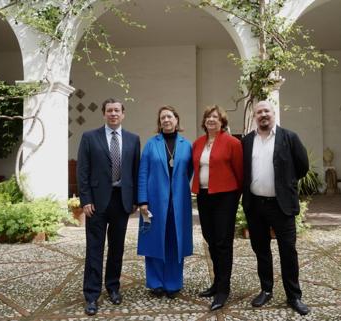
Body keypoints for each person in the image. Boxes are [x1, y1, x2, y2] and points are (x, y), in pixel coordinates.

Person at [241, 100, 310, 316]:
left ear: (273, 113)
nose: (263, 115)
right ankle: (266, 289)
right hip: (255, 206)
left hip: (282, 206)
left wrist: (283, 184)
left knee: (287, 251)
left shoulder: (289, 138)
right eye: (259, 112)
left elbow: (302, 166)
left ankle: (294, 296)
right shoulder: (246, 141)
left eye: (266, 111)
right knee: (261, 250)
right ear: (254, 116)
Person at [77, 98, 141, 316]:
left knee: (117, 248)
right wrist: (85, 200)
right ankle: (92, 295)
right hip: (96, 202)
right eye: (109, 111)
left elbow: (135, 172)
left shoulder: (133, 139)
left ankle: (113, 287)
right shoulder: (89, 137)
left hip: (122, 201)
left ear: (123, 114)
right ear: (103, 114)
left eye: (117, 110)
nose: (113, 114)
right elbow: (82, 171)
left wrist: (135, 199)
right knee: (94, 249)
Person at [137, 105, 193, 299]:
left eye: (169, 117)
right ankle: (155, 283)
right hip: (153, 202)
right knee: (153, 241)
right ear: (159, 122)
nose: (166, 120)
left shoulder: (187, 144)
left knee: (175, 242)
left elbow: (189, 171)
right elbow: (143, 172)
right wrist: (142, 200)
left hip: (178, 202)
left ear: (177, 120)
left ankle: (173, 283)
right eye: (162, 118)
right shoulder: (151, 144)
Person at [192, 105, 243, 311]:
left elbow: (240, 172)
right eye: (208, 117)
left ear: (222, 122)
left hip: (225, 197)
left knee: (223, 242)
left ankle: (223, 289)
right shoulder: (198, 143)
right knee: (210, 239)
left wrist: (236, 197)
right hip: (204, 196)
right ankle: (216, 282)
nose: (211, 120)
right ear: (204, 122)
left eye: (215, 117)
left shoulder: (232, 143)